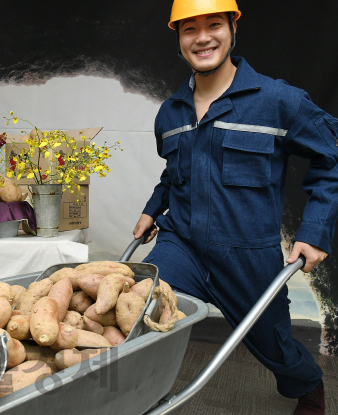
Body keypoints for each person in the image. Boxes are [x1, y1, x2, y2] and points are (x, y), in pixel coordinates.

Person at [132, 1, 338, 414]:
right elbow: (175, 173)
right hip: (182, 244)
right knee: (138, 307)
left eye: (214, 24)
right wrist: (153, 209)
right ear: (178, 38)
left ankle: (309, 384)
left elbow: (332, 157)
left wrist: (314, 231)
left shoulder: (280, 100)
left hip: (247, 254)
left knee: (274, 345)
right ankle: (134, 397)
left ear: (232, 28)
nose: (203, 37)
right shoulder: (170, 113)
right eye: (190, 29)